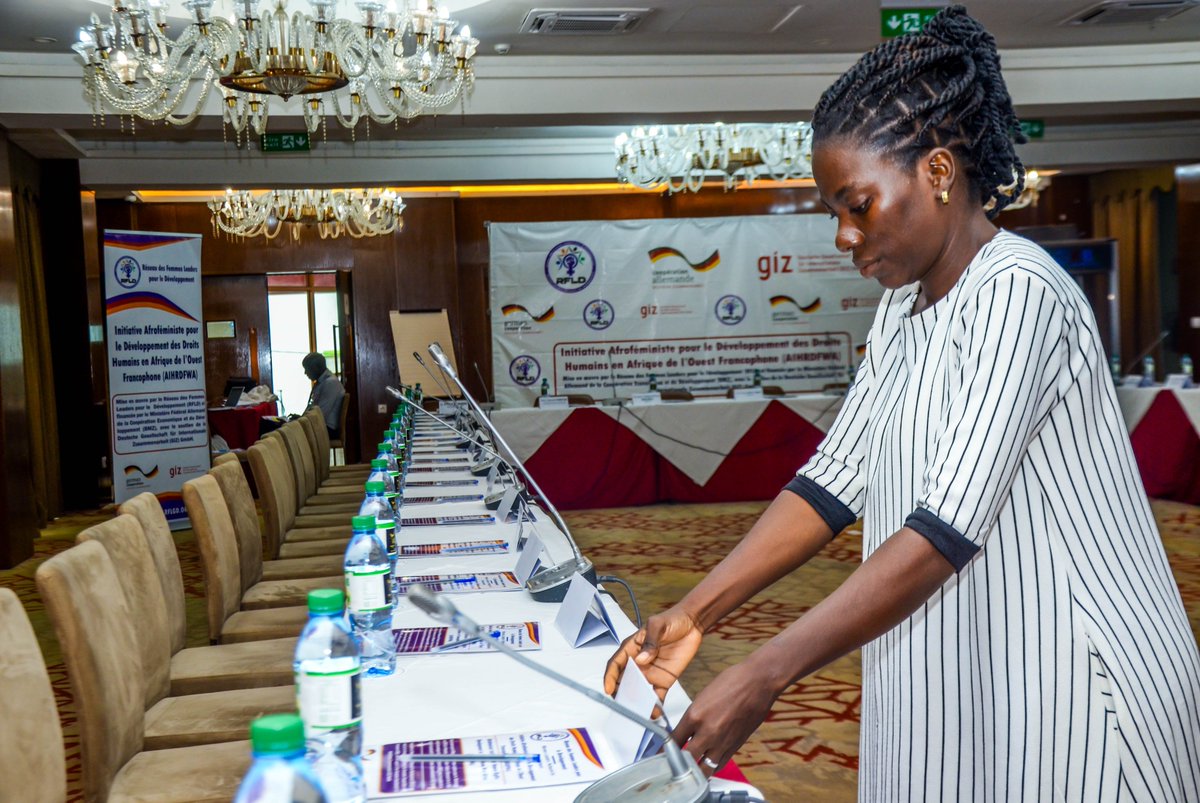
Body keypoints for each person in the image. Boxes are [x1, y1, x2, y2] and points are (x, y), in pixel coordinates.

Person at [604, 7, 1200, 800]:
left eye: (857, 204)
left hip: (1076, 670)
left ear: (940, 173)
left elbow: (938, 533)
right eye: (834, 215)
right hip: (969, 646)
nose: (844, 236)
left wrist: (764, 671)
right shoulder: (905, 306)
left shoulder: (1019, 291)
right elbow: (831, 482)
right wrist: (698, 609)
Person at [303, 352, 346, 439]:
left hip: (328, 429)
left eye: (307, 369)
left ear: (316, 368)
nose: (305, 372)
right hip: (323, 426)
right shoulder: (322, 382)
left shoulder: (330, 383)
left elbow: (320, 414)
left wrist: (302, 421)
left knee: (293, 434)